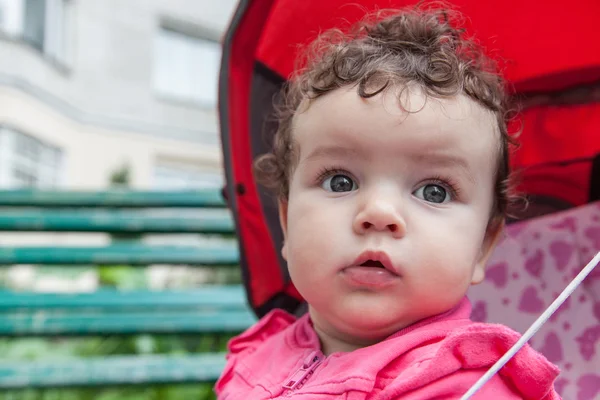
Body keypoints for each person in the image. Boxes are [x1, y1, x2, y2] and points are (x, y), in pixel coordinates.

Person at [215, 4, 561, 399]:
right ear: (287, 224)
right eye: (340, 181)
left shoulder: (468, 387)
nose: (378, 213)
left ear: (482, 246)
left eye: (435, 191)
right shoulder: (257, 358)